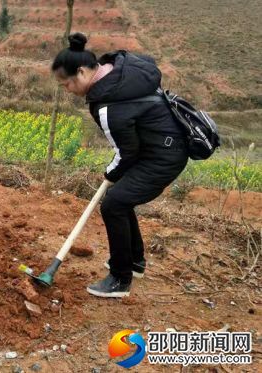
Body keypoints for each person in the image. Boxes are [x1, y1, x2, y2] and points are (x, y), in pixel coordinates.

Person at [51, 33, 188, 297]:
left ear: (81, 72)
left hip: (161, 157)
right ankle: (134, 262)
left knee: (113, 204)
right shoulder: (120, 70)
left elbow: (126, 152)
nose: (66, 90)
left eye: (66, 84)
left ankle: (120, 278)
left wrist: (110, 173)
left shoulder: (108, 106)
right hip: (161, 146)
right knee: (121, 199)